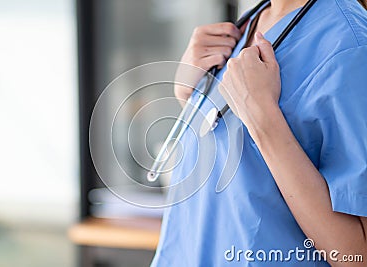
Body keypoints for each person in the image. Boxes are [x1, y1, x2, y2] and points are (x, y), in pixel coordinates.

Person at [151, 0, 367, 266]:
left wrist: (264, 120)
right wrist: (190, 96)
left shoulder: (350, 47)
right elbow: (244, 170)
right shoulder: (249, 24)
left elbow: (359, 256)